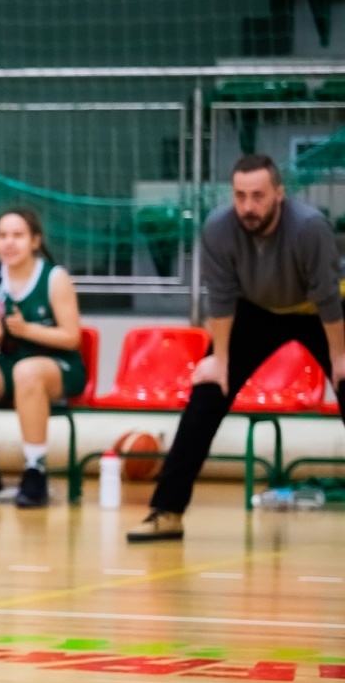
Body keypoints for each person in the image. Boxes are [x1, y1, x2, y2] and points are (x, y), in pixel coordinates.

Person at [131, 154, 345, 542]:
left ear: (279, 194)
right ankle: (167, 512)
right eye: (240, 196)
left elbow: (328, 298)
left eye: (258, 196)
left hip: (317, 311)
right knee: (207, 394)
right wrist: (221, 361)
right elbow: (222, 299)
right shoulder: (218, 229)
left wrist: (340, 358)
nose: (248, 206)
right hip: (254, 311)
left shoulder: (310, 228)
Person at [0, 209, 86, 509]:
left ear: (35, 241)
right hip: (10, 364)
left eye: (17, 236)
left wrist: (26, 330)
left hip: (56, 365)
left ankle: (35, 469)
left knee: (27, 371)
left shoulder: (54, 277)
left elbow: (72, 336)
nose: (8, 243)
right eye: (2, 236)